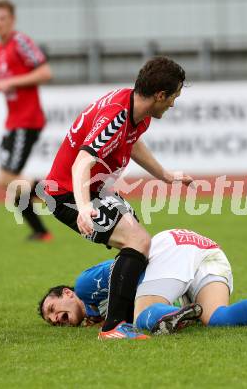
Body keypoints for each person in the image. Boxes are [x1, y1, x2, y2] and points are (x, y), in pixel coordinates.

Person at [42, 57, 194, 339]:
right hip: (67, 195)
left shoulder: (135, 109)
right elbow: (81, 163)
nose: (173, 103)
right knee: (137, 241)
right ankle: (113, 326)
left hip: (93, 190)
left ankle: (121, 315)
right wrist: (84, 209)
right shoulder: (116, 118)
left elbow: (132, 142)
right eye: (173, 96)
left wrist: (165, 175)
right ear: (160, 95)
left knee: (138, 243)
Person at [38, 229, 247, 340]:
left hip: (168, 248)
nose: (55, 317)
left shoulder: (84, 285)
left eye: (53, 307)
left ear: (67, 293)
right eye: (51, 320)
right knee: (219, 319)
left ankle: (165, 314)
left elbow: (130, 263)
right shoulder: (96, 312)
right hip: (205, 250)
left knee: (143, 315)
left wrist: (130, 312)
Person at [0, 0, 53, 241]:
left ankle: (59, 192)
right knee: (10, 181)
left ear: (12, 20)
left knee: (7, 178)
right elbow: (8, 83)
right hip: (13, 121)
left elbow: (45, 72)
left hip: (27, 120)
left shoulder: (20, 42)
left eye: (2, 18)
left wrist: (10, 82)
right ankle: (41, 231)